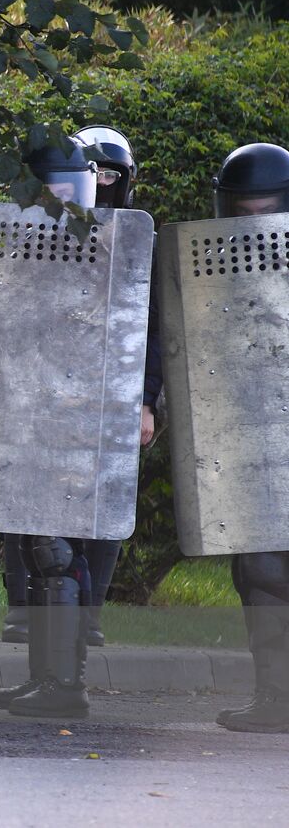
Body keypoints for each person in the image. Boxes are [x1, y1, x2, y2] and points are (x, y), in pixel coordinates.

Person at [0, 137, 157, 718]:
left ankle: (66, 683)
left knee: (68, 541)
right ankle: (46, 677)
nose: (101, 184)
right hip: (39, 400)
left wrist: (145, 402)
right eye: (92, 173)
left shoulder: (131, 240)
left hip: (99, 403)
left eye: (112, 174)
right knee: (40, 537)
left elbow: (148, 330)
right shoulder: (32, 231)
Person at [205, 142, 289, 732]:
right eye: (243, 213)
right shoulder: (212, 265)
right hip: (251, 434)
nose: (254, 226)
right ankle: (275, 697)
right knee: (259, 569)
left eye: (267, 213)